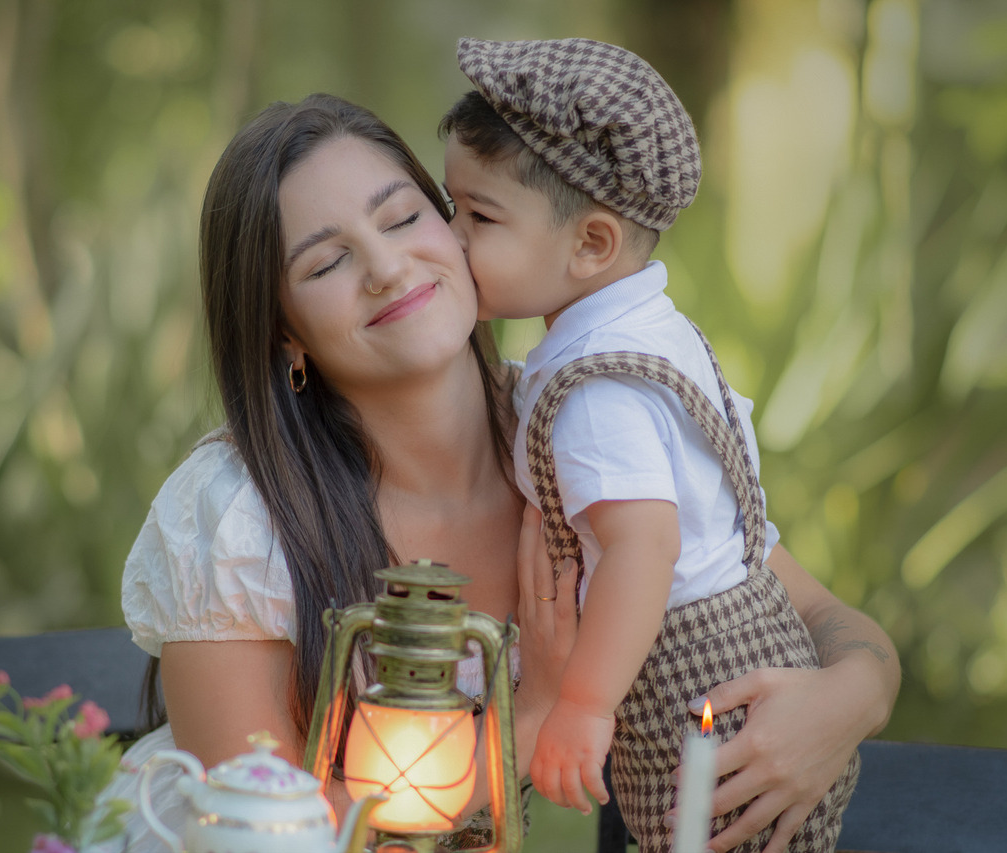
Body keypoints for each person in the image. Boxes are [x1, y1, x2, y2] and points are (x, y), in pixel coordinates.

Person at [93, 90, 899, 853]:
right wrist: (539, 714)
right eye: (326, 263)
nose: (386, 266)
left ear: (462, 224)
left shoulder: (582, 438)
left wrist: (850, 698)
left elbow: (827, 616)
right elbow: (259, 828)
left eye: (405, 216)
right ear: (285, 334)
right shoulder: (236, 516)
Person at [439, 36, 895, 853]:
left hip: (702, 691)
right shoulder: (654, 335)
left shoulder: (597, 392)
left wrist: (583, 703)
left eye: (478, 216)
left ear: (592, 245)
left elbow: (642, 547)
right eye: (449, 205)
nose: (449, 235)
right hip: (758, 641)